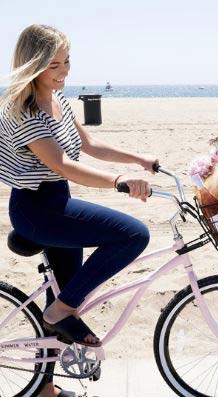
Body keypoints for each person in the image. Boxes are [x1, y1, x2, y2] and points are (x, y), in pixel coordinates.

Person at [0, 24, 157, 397]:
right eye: (55, 65)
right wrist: (119, 180)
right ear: (34, 65)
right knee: (134, 234)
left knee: (65, 295)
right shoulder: (25, 113)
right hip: (39, 209)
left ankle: (45, 387)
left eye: (68, 61)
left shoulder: (59, 100)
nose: (65, 71)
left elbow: (88, 144)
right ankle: (57, 313)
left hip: (57, 203)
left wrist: (139, 159)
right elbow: (63, 166)